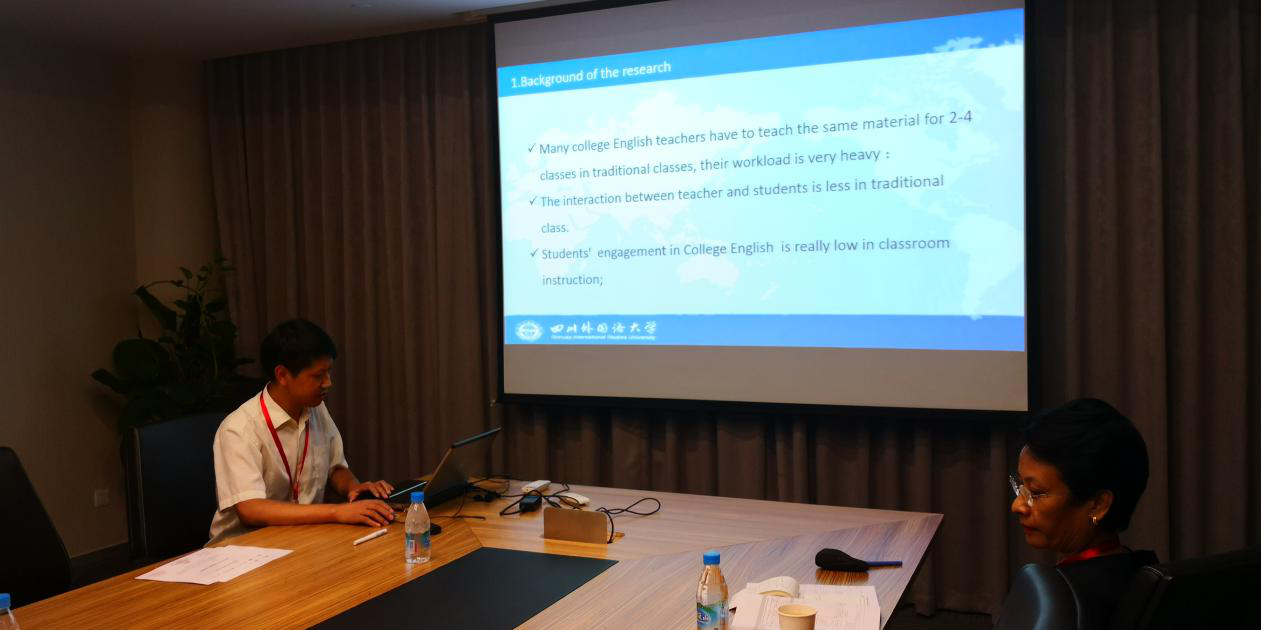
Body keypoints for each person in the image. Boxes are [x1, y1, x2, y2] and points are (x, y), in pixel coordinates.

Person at [208, 318, 396, 545]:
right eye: (318, 376)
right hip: (242, 549)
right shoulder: (238, 429)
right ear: (282, 375)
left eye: (329, 372)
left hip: (301, 538)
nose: (328, 383)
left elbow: (335, 469)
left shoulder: (315, 408)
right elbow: (251, 509)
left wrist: (354, 488)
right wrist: (336, 512)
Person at [1011, 398, 1157, 628]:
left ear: (1098, 504)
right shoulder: (1144, 578)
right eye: (1020, 486)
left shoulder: (1057, 603)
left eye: (1036, 493)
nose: (1017, 506)